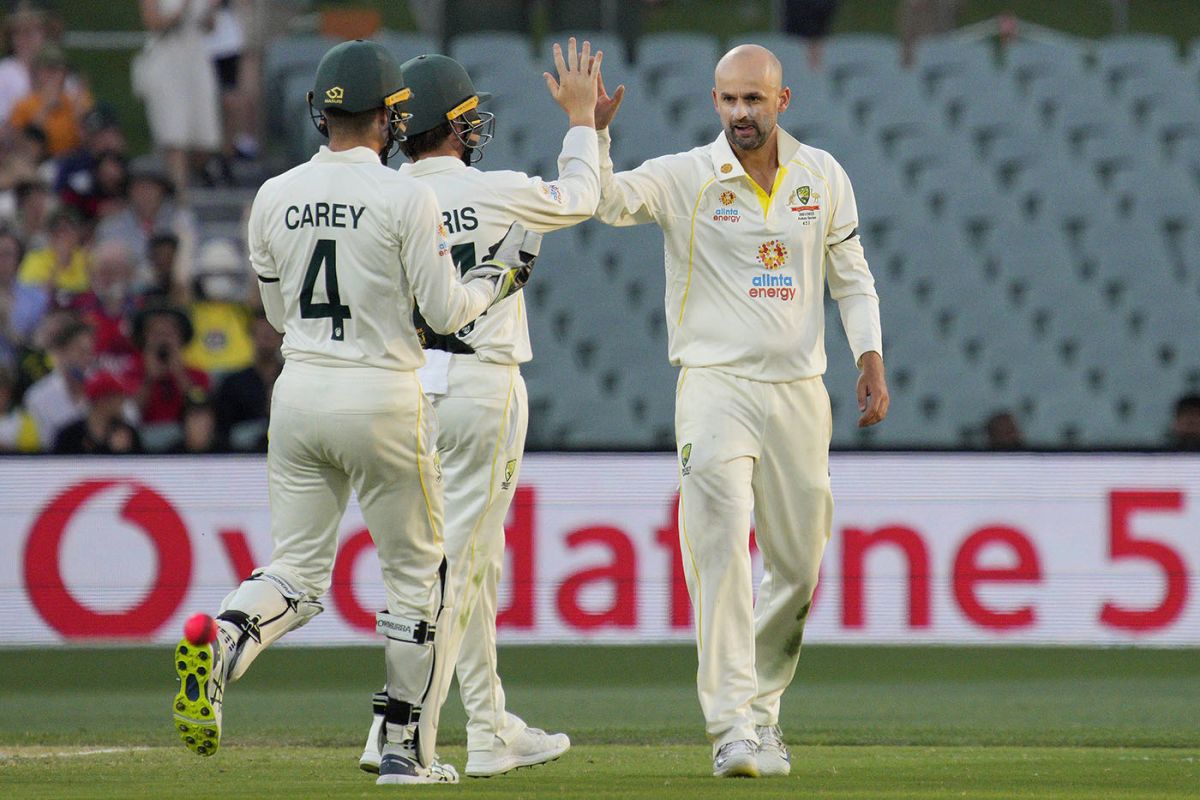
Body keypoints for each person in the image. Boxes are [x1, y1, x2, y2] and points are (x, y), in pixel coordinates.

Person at [169, 39, 538, 786]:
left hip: (300, 392)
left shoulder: (272, 194)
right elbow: (447, 314)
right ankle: (404, 749)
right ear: (394, 118)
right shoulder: (408, 196)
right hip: (382, 394)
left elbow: (276, 311)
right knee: (420, 578)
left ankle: (227, 640)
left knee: (298, 573)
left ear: (320, 111)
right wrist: (500, 276)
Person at [592, 44, 888, 778]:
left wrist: (870, 359)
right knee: (721, 548)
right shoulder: (685, 176)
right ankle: (730, 727)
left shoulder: (822, 176)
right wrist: (590, 133)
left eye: (753, 100)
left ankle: (762, 715)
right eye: (727, 100)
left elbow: (851, 277)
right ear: (713, 102)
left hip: (799, 392)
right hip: (714, 387)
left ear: (781, 102)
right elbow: (603, 201)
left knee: (797, 567)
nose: (739, 113)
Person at [356, 41, 601, 779]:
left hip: (404, 387)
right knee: (458, 570)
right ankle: (399, 735)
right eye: (467, 119)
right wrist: (585, 121)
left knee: (468, 565)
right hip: (482, 385)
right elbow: (582, 196)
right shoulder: (493, 189)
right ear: (456, 125)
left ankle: (491, 730)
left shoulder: (385, 198)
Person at [134, 0, 222, 200]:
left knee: (205, 138)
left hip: (195, 58)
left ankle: (192, 181)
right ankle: (179, 198)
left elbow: (210, 27)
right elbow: (153, 22)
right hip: (166, 59)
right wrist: (182, 8)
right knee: (174, 135)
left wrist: (210, 11)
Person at [7, 43, 93, 158]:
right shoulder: (24, 105)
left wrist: (79, 115)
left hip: (74, 160)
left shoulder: (78, 100)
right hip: (38, 162)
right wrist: (45, 109)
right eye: (48, 69)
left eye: (58, 69)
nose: (53, 75)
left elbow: (91, 144)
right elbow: (20, 148)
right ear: (35, 73)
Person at [212, 307, 279, 451]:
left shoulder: (293, 377)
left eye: (271, 333)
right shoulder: (233, 383)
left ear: (281, 337)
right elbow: (223, 429)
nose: (266, 339)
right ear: (251, 336)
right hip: (243, 456)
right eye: (261, 334)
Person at [23, 314, 93, 450]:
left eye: (88, 352)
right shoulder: (38, 396)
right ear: (62, 352)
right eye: (80, 351)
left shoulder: (104, 391)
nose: (85, 359)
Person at [51, 369, 141, 454]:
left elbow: (142, 465)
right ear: (102, 401)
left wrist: (124, 452)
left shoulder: (128, 433)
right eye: (118, 396)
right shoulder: (69, 436)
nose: (123, 401)